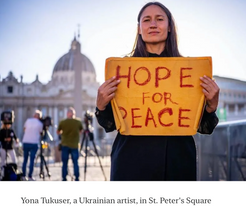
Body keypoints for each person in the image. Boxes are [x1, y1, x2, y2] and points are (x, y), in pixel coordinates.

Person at [95, 2, 220, 180]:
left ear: (169, 27)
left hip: (177, 163)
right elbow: (111, 124)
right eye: (146, 20)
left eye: (159, 19)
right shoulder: (122, 70)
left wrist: (211, 107)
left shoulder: (191, 71)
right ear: (139, 29)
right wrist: (101, 106)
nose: (153, 24)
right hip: (131, 163)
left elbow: (203, 128)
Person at [57, 107, 83, 181]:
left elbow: (58, 132)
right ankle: (77, 177)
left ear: (67, 114)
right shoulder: (78, 122)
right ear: (74, 114)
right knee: (75, 162)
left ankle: (64, 177)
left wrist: (63, 133)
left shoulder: (63, 122)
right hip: (74, 145)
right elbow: (81, 131)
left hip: (65, 144)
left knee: (64, 163)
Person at [22, 110, 43, 181]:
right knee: (32, 160)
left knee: (25, 160)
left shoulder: (28, 121)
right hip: (34, 143)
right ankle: (30, 176)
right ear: (39, 117)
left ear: (34, 115)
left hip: (26, 141)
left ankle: (23, 176)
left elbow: (24, 129)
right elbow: (41, 133)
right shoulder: (40, 123)